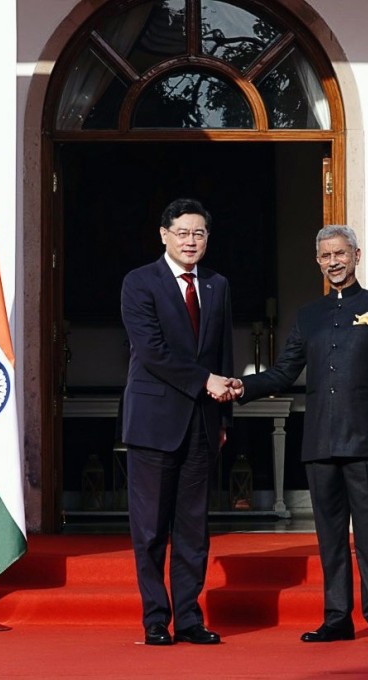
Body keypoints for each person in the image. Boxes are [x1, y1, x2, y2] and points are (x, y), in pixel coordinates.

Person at [229, 225, 368, 644]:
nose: (334, 262)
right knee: (329, 536)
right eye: (326, 256)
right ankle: (337, 618)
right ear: (318, 262)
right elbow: (284, 371)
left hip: (367, 442)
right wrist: (242, 386)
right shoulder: (309, 316)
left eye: (340, 254)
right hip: (319, 442)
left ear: (356, 256)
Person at [120, 197, 235, 646]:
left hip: (203, 423)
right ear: (164, 234)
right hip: (153, 422)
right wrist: (206, 380)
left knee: (193, 528)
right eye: (183, 232)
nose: (191, 241)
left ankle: (189, 618)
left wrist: (223, 414)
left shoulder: (217, 284)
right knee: (150, 528)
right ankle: (155, 619)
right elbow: (152, 352)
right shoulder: (139, 283)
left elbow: (224, 351)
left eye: (199, 233)